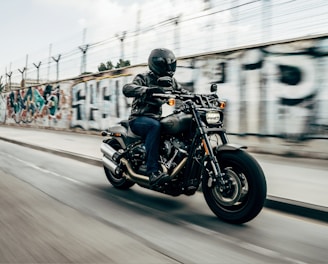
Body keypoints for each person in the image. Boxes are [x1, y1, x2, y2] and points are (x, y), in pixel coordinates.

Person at [123, 48, 182, 189]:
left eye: (171, 64)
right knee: (154, 126)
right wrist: (146, 90)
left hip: (155, 118)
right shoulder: (143, 78)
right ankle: (153, 172)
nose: (168, 67)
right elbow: (127, 88)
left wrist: (203, 97)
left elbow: (183, 92)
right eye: (165, 64)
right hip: (139, 118)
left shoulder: (170, 82)